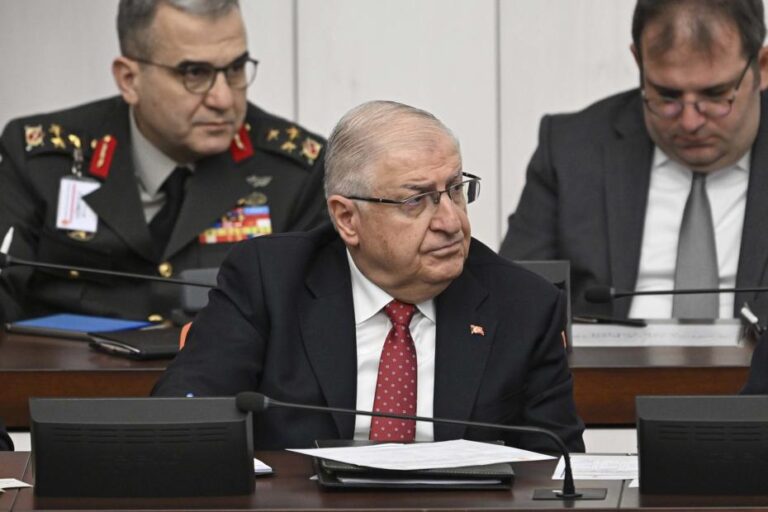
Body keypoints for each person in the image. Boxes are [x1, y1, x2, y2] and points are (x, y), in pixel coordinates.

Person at [153, 100, 585, 453]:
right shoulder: (268, 280)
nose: (451, 222)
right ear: (347, 218)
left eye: (455, 189)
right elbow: (182, 418)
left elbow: (559, 470)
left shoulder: (524, 306)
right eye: (416, 200)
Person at [0, 0, 327, 324]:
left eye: (235, 69)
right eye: (195, 73)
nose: (224, 99)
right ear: (129, 80)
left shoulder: (296, 174)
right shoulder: (41, 162)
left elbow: (313, 325)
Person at [500, 0, 768, 322]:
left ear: (762, 67)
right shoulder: (573, 150)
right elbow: (513, 302)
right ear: (639, 62)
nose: (690, 121)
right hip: (604, 356)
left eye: (715, 95)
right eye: (667, 96)